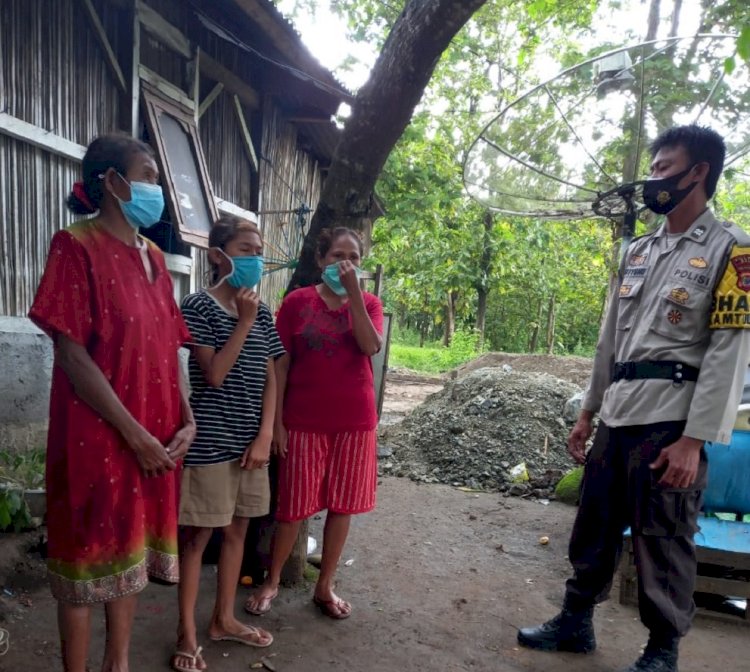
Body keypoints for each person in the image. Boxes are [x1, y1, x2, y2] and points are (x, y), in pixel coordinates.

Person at [517, 124, 750, 672]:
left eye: (666, 168)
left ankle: (661, 651)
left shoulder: (733, 250)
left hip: (672, 421)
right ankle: (575, 621)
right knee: (594, 523)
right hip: (618, 413)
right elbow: (609, 339)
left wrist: (695, 440)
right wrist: (587, 409)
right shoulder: (640, 250)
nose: (654, 179)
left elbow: (729, 351)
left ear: (699, 173)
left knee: (664, 538)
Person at [28, 134, 196, 672]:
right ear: (113, 182)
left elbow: (169, 346)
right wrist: (137, 436)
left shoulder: (152, 256)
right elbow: (74, 356)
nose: (157, 187)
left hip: (156, 439)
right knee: (83, 567)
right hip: (97, 433)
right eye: (147, 174)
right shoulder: (75, 245)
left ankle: (117, 664)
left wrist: (186, 416)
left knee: (132, 556)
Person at [245, 227, 383, 620]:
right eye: (338, 255)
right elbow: (281, 363)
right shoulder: (296, 302)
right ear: (321, 260)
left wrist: (354, 292)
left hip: (355, 421)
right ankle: (272, 581)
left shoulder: (369, 302)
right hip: (303, 420)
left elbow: (369, 346)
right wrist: (276, 423)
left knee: (343, 506)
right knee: (293, 507)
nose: (346, 263)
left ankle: (325, 585)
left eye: (354, 257)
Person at [173, 217, 285, 671]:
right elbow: (215, 375)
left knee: (238, 530)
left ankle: (222, 619)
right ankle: (186, 632)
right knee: (198, 539)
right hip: (212, 441)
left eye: (258, 249)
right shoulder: (197, 306)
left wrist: (265, 433)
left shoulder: (264, 310)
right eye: (244, 248)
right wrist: (243, 321)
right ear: (218, 255)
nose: (255, 257)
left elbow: (271, 376)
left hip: (249, 442)